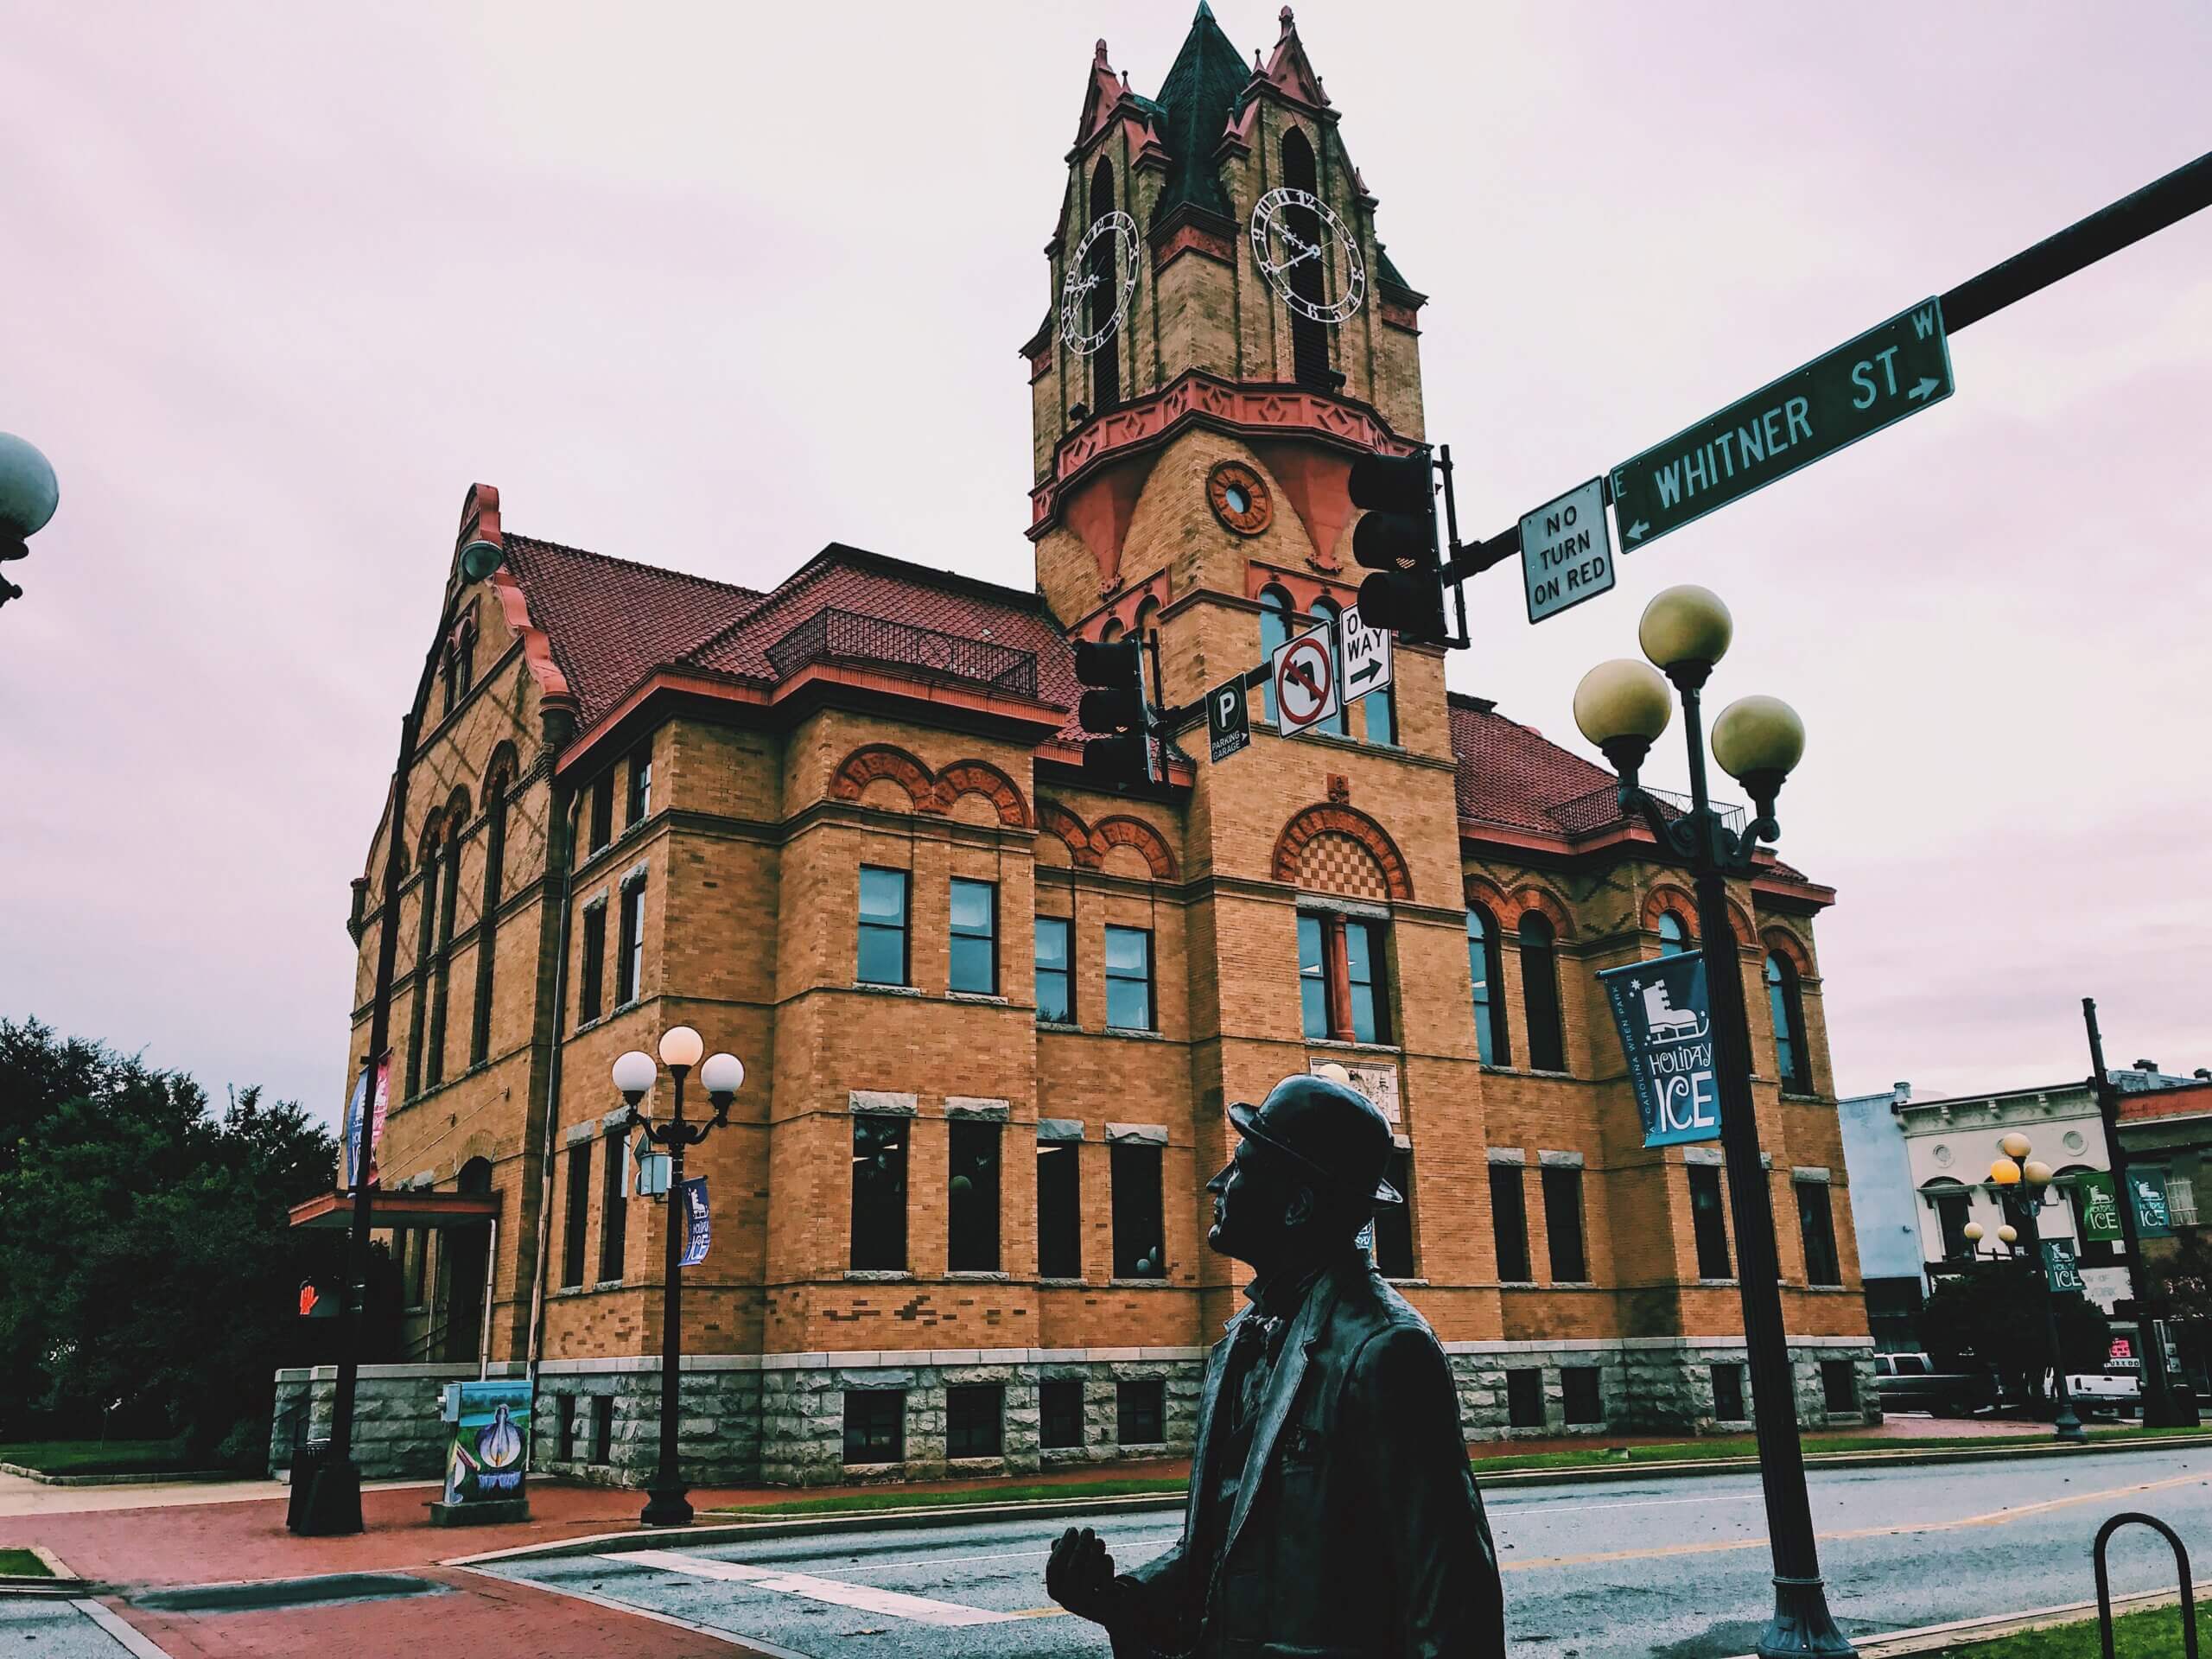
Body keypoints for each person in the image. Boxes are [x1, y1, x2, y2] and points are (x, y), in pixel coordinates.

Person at [1046, 1073, 1507, 1657]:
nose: (1219, 1183)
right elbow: (1223, 1549)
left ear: (1296, 1206)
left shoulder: (1386, 1352)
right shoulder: (1239, 1340)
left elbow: (1451, 1601)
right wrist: (1120, 1599)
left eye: (1242, 1166)